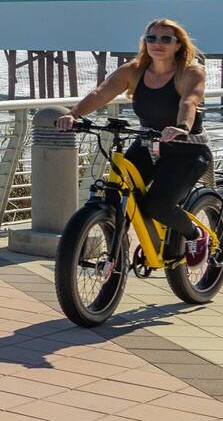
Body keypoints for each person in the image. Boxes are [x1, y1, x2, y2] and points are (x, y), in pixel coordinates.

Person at [55, 19, 213, 266]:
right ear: (144, 42)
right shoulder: (134, 71)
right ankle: (127, 244)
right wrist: (73, 115)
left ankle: (194, 234)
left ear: (178, 45)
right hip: (148, 142)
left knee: (158, 205)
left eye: (165, 39)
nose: (157, 44)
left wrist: (181, 127)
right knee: (118, 194)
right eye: (151, 38)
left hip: (186, 147)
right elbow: (101, 93)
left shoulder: (190, 72)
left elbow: (189, 101)